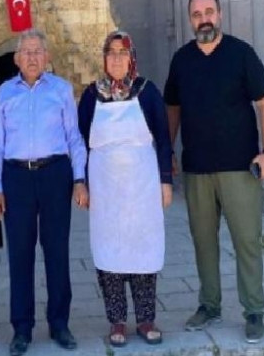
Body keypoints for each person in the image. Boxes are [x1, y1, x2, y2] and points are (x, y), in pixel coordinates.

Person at [164, 0, 264, 343]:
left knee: (247, 241)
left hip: (239, 167)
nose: (204, 20)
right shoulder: (181, 60)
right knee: (203, 242)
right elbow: (172, 108)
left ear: (220, 14)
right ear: (190, 20)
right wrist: (167, 152)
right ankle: (209, 305)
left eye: (209, 12)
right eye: (197, 15)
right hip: (197, 169)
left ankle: (254, 311)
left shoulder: (241, 54)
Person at [0, 29, 88, 356]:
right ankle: (22, 327)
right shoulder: (4, 93)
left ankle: (59, 323)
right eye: (26, 52)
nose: (32, 57)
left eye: (37, 51)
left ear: (47, 57)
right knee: (20, 253)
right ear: (17, 59)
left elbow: (74, 138)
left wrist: (79, 179)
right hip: (16, 177)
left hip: (55, 174)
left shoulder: (61, 90)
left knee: (57, 250)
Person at [77, 31, 173, 347]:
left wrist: (165, 181)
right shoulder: (91, 96)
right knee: (110, 252)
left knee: (143, 249)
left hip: (142, 186)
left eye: (122, 52)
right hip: (105, 189)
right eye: (111, 52)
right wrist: (81, 183)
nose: (117, 58)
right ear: (104, 58)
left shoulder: (147, 92)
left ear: (131, 57)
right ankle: (117, 320)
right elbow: (80, 142)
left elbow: (163, 139)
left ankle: (146, 319)